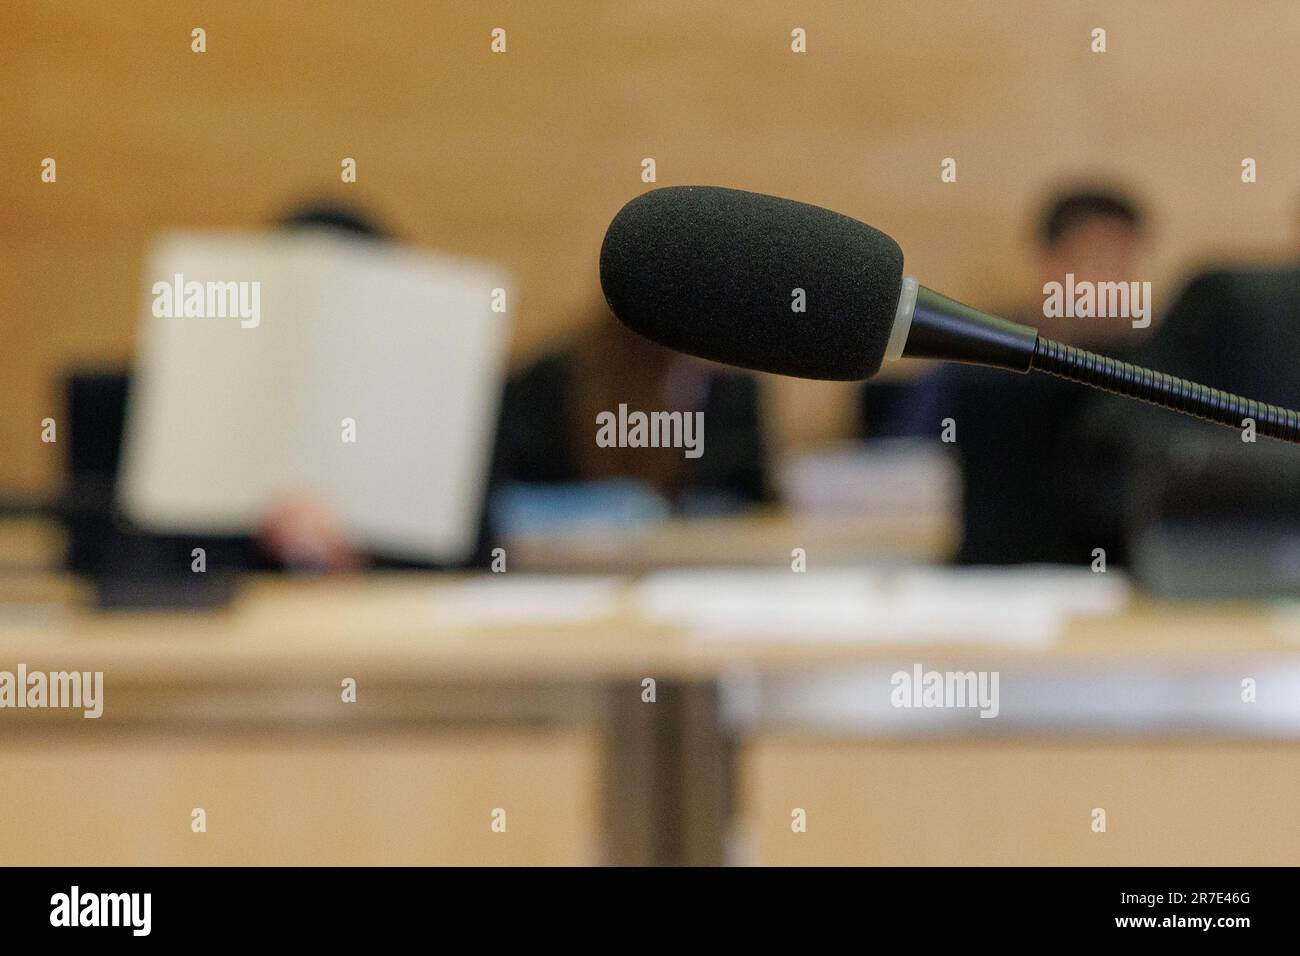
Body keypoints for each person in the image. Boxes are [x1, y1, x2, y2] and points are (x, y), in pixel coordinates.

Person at [870, 185, 1151, 565]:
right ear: (1047, 260)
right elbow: (899, 467)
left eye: (1124, 266)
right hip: (992, 581)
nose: (1112, 285)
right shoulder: (975, 357)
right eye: (1096, 263)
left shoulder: (1154, 371)